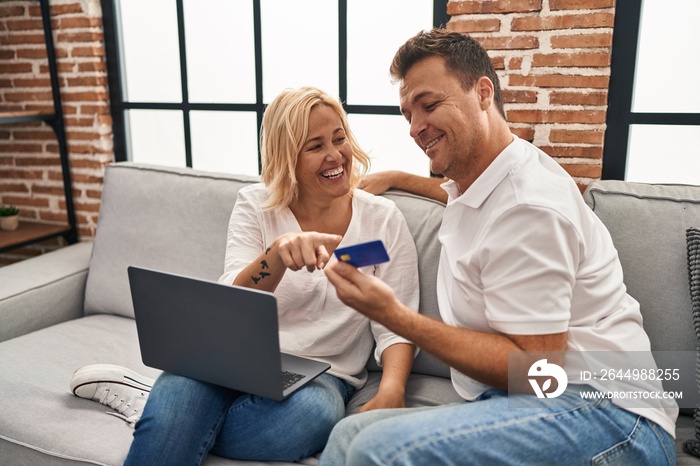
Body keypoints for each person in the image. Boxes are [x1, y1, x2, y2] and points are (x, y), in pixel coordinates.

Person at [320, 28, 678, 466]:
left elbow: (534, 368)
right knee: (348, 434)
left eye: (430, 106)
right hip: (528, 401)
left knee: (376, 451)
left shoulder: (528, 206)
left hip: (610, 412)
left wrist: (396, 318)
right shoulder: (488, 177)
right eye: (408, 114)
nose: (415, 128)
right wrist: (398, 178)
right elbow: (456, 197)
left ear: (483, 92)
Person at [70, 86, 419, 465]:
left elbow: (396, 324)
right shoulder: (255, 206)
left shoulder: (382, 220)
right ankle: (167, 414)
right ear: (287, 158)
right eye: (315, 146)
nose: (336, 155)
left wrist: (392, 390)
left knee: (311, 417)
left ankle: (157, 413)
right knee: (182, 397)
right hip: (228, 357)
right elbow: (231, 303)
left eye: (340, 139)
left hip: (320, 375)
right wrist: (277, 255)